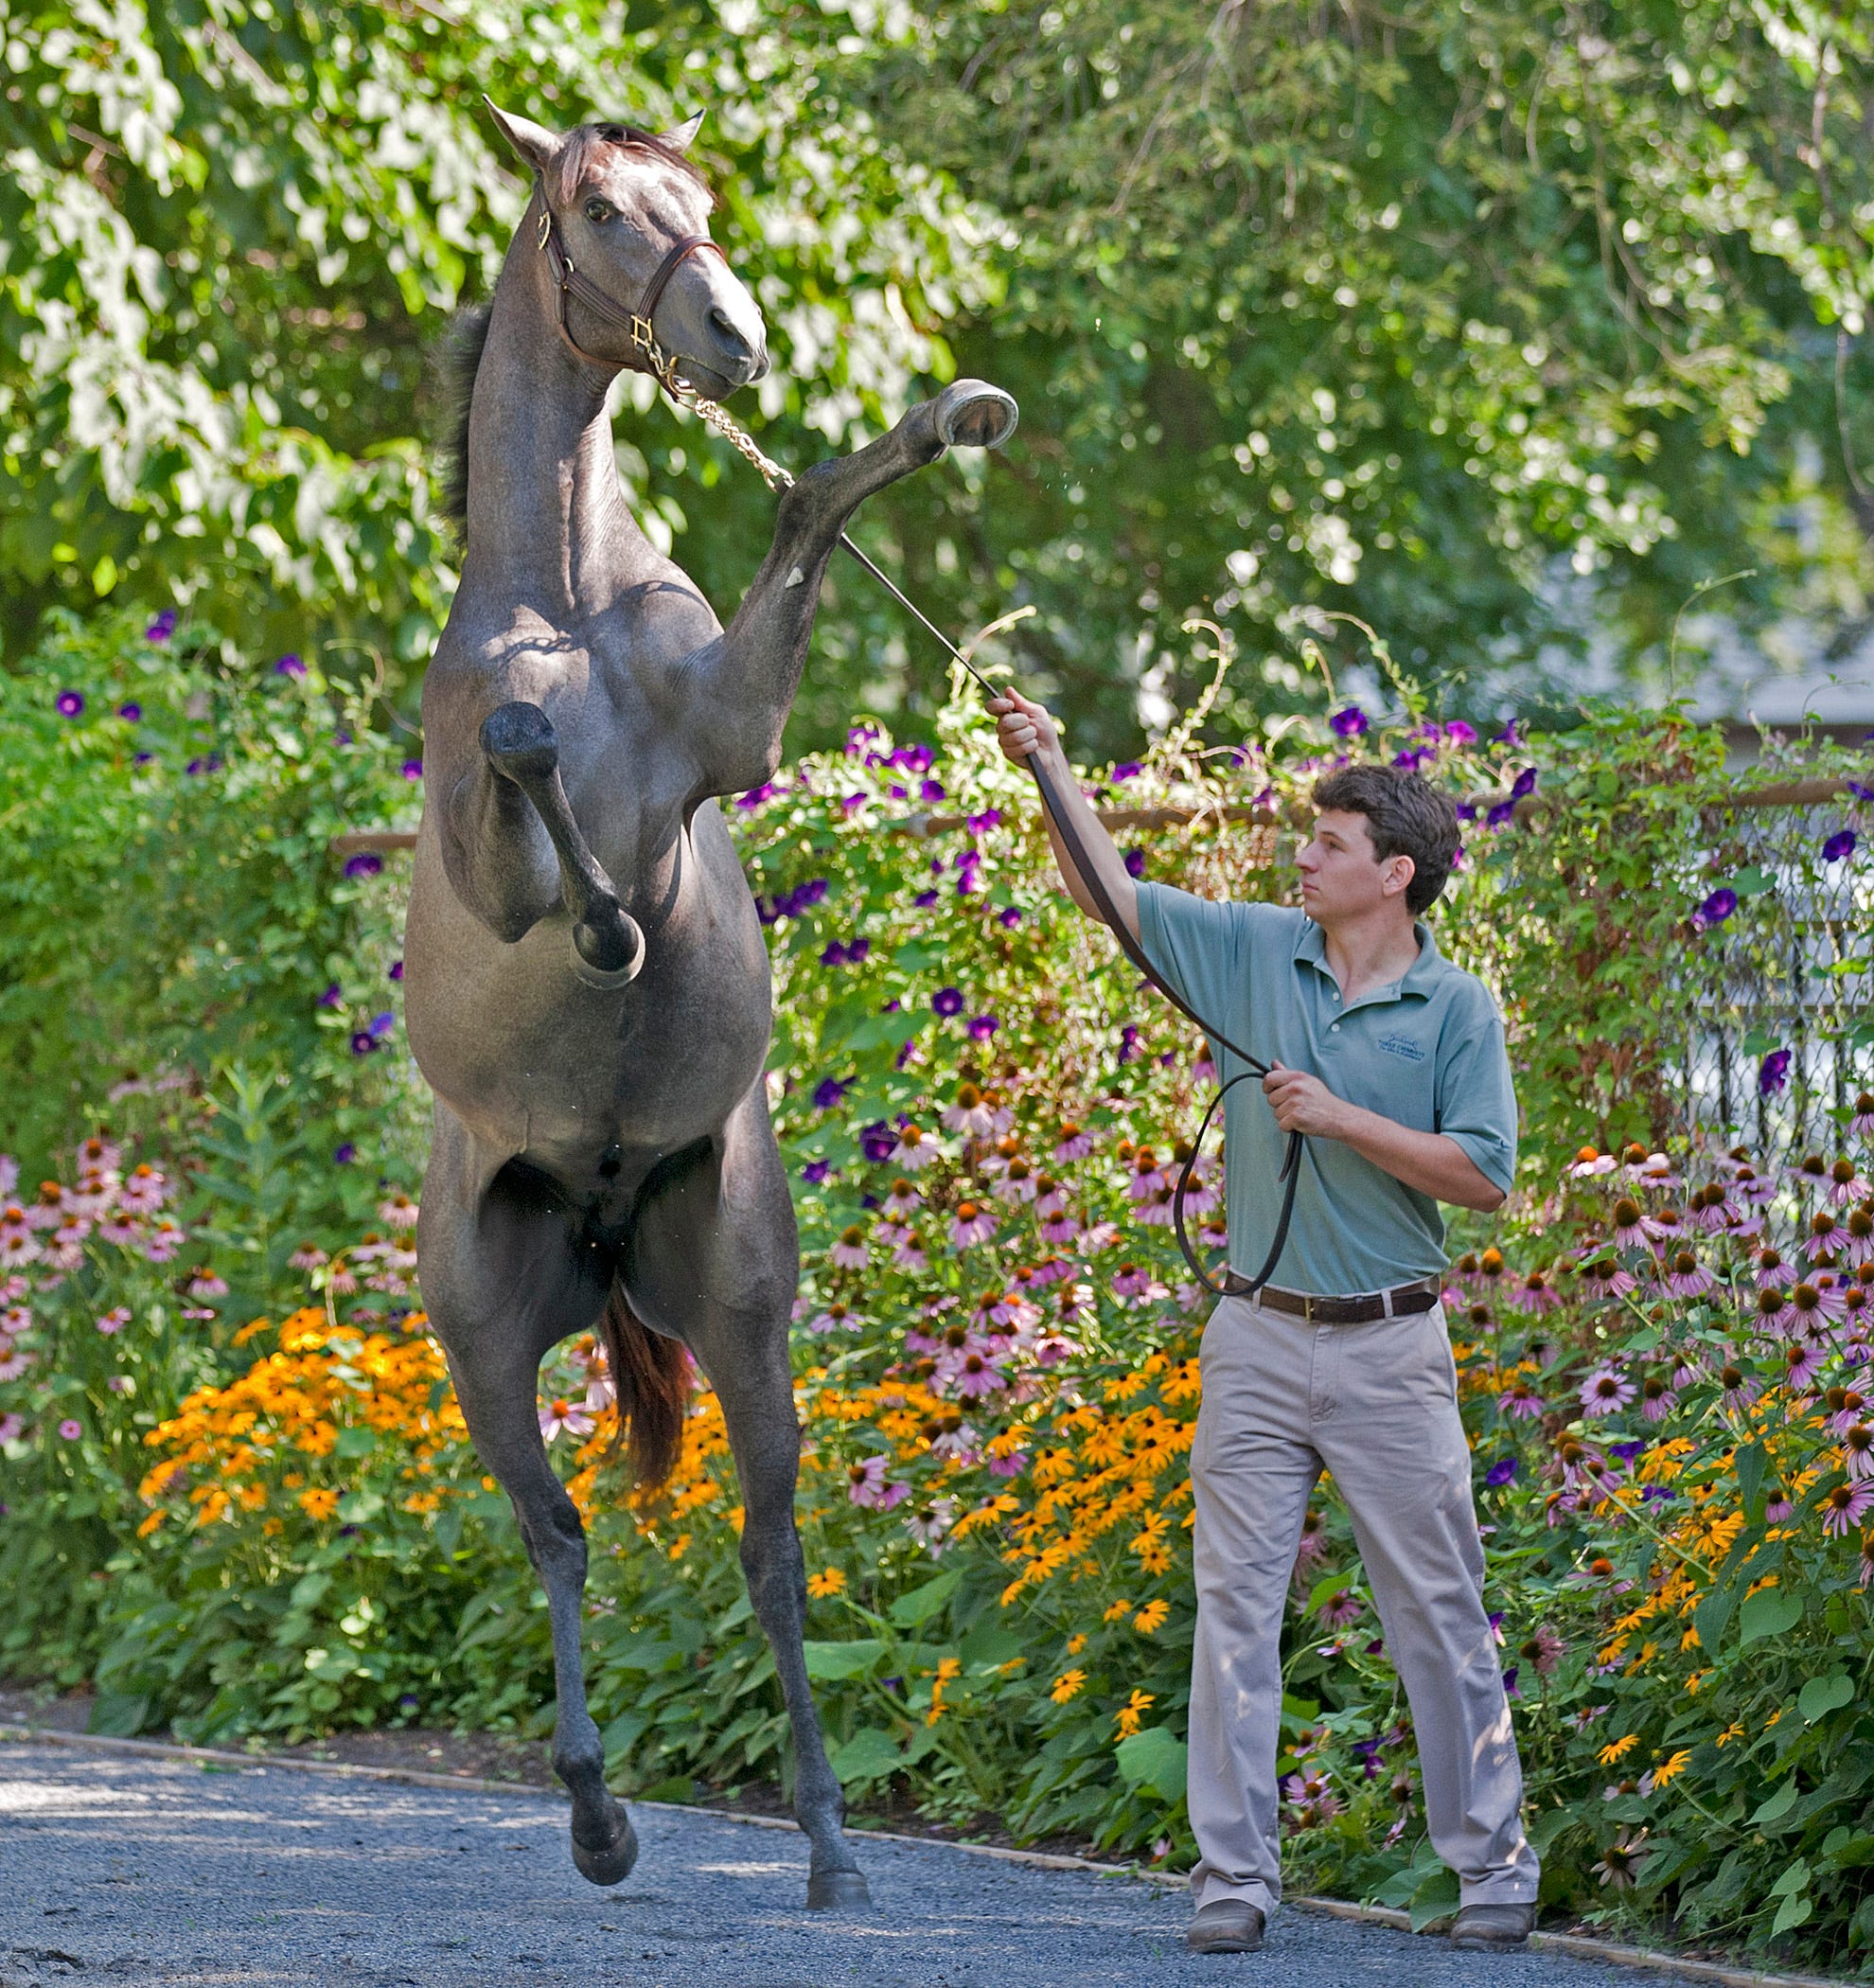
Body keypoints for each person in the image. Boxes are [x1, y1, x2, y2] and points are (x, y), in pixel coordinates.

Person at [992, 690, 1539, 1957]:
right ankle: (1232, 1882)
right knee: (1233, 1608)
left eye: (1330, 843)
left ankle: (1494, 1880)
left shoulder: (1458, 1010)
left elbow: (1484, 1175)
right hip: (1254, 1336)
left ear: (1395, 873)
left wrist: (1342, 1116)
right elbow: (1111, 900)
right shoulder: (1253, 946)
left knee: (1438, 1613)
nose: (1303, 855)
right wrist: (1052, 765)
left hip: (1395, 1346)